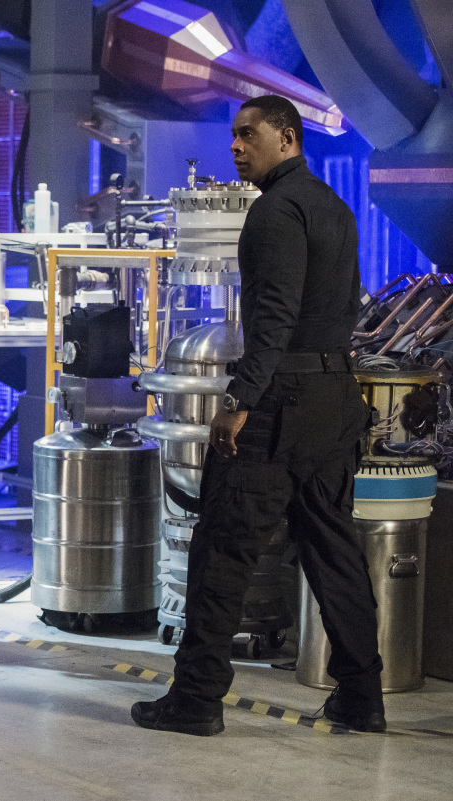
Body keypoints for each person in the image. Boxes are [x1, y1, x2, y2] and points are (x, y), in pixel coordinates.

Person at [132, 95, 385, 735]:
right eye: (234, 135)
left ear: (288, 138)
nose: (235, 146)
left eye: (248, 134)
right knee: (333, 550)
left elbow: (273, 318)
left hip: (281, 403)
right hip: (334, 399)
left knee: (222, 548)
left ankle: (195, 699)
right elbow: (342, 309)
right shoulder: (333, 207)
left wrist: (239, 400)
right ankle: (362, 696)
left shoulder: (274, 211)